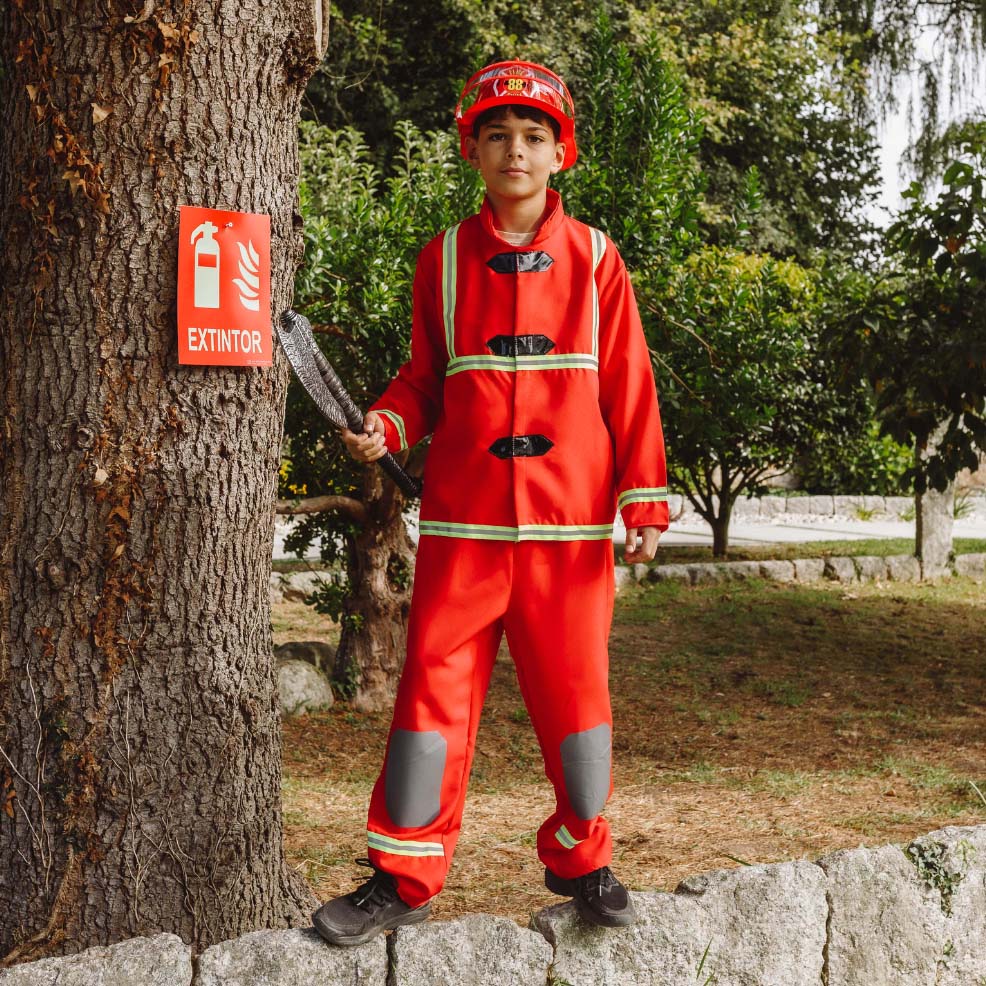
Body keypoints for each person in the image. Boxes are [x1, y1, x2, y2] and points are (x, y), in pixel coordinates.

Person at [311, 60, 669, 947]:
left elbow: (630, 385)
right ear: (473, 149)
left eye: (535, 136)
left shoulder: (595, 259)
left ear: (561, 154)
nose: (517, 150)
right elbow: (422, 381)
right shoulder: (438, 260)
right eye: (499, 135)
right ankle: (402, 874)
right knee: (430, 704)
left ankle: (582, 857)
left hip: (570, 532)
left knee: (578, 702)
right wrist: (387, 427)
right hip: (464, 535)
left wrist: (646, 503)